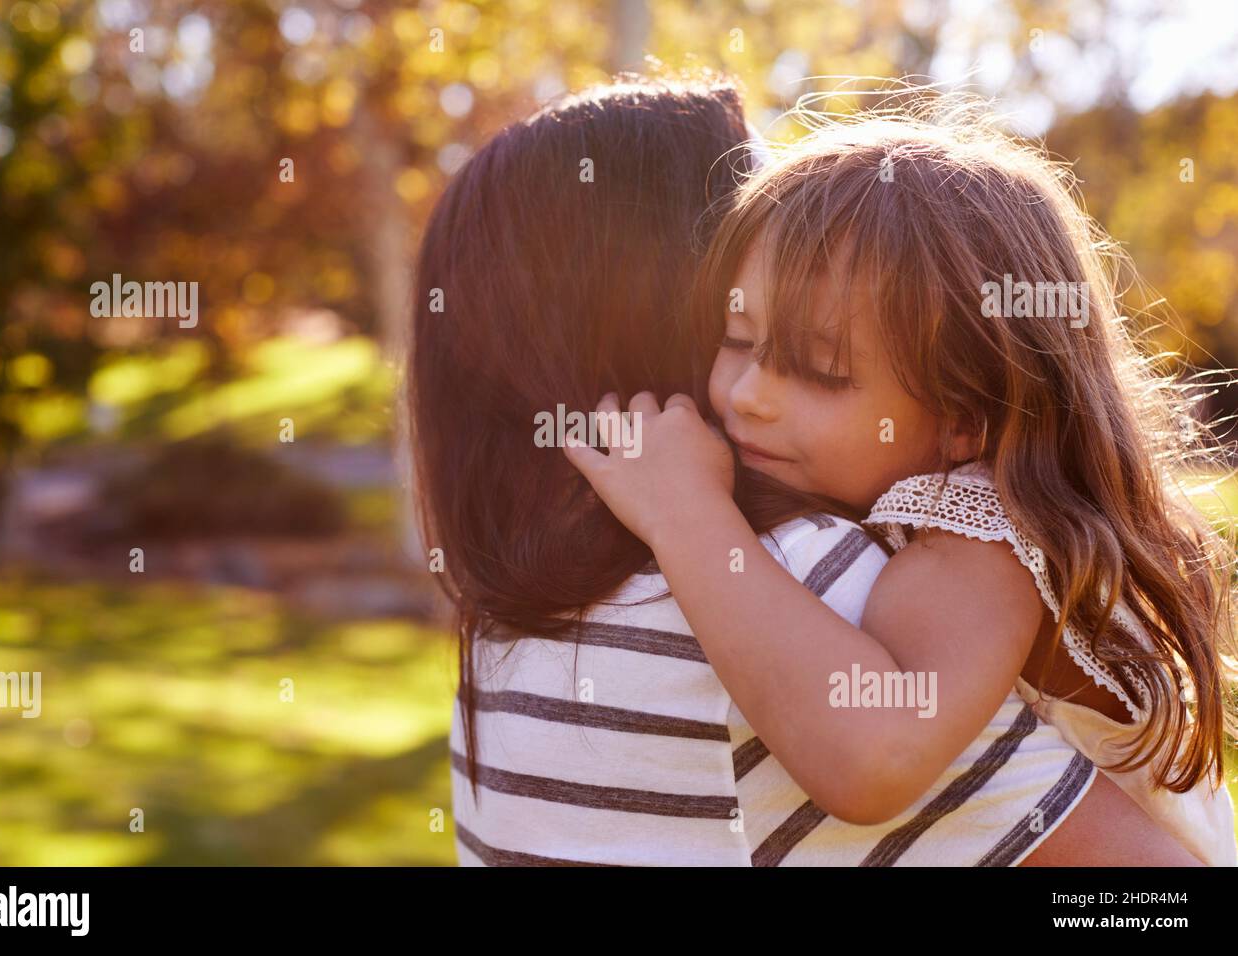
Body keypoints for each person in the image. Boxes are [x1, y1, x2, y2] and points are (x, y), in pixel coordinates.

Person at [411, 74, 1203, 865]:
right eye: (735, 338)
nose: (748, 397)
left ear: (969, 417)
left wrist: (686, 511)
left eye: (821, 371)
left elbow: (871, 755)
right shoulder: (831, 565)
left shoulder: (976, 539)